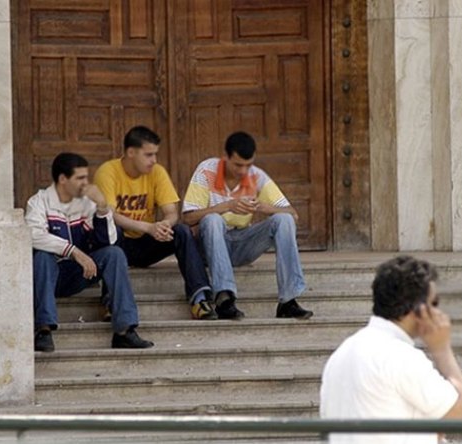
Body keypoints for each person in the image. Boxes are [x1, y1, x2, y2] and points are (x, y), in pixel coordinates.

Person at [319, 256, 462, 444]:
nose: (438, 313)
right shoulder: (400, 356)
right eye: (434, 303)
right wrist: (442, 349)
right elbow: (459, 411)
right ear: (420, 309)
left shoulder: (342, 353)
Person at [26, 152, 154, 352]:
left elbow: (109, 241)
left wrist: (103, 208)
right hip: (47, 276)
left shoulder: (87, 204)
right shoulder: (39, 201)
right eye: (80, 178)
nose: (86, 183)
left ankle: (124, 331)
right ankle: (43, 329)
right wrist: (74, 251)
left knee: (115, 254)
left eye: (87, 177)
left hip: (77, 274)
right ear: (62, 179)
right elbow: (33, 236)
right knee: (42, 256)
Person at [181, 131, 313, 320]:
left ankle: (288, 301)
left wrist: (261, 207)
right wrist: (227, 206)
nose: (243, 171)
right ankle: (224, 299)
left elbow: (292, 213)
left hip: (242, 244)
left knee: (284, 220)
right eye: (238, 165)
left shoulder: (256, 176)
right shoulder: (206, 170)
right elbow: (188, 218)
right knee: (212, 220)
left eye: (248, 165)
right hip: (209, 247)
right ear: (225, 158)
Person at [94, 126, 217, 320]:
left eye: (155, 154)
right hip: (118, 245)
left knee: (182, 231)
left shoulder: (157, 172)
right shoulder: (108, 172)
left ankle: (200, 299)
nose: (154, 160)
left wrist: (164, 225)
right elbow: (110, 215)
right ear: (131, 152)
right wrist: (149, 227)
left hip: (146, 243)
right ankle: (110, 301)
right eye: (149, 155)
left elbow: (171, 212)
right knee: (112, 228)